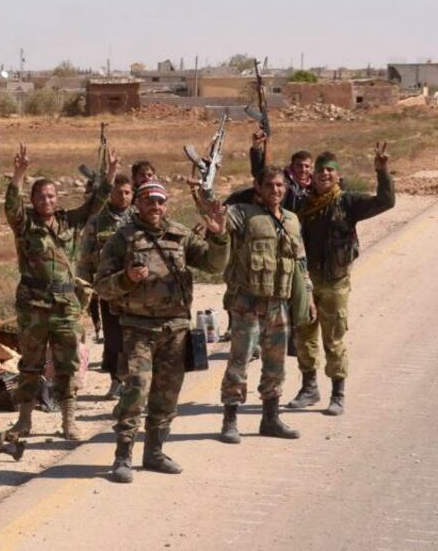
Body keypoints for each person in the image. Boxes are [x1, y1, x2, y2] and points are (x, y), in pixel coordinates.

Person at [95, 181, 228, 483]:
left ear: (166, 204)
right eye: (148, 201)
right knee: (136, 391)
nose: (155, 207)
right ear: (137, 205)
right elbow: (102, 287)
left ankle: (154, 452)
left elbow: (214, 265)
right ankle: (122, 456)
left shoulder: (179, 235)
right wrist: (127, 278)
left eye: (160, 201)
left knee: (167, 395)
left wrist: (219, 236)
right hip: (138, 329)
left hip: (175, 329)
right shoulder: (123, 239)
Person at [5, 143, 116, 440]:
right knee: (30, 364)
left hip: (66, 304)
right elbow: (11, 207)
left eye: (51, 196)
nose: (46, 200)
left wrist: (111, 176)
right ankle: (24, 421)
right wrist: (18, 175)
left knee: (67, 365)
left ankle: (69, 422)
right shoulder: (25, 225)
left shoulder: (69, 221)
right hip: (33, 305)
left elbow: (96, 205)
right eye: (41, 196)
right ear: (33, 199)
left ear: (57, 199)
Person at [286, 143, 395, 415]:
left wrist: (382, 172)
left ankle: (337, 394)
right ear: (312, 176)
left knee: (333, 339)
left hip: (335, 282)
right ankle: (309, 388)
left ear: (337, 176)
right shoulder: (301, 203)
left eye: (329, 170)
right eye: (320, 170)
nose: (324, 174)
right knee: (304, 337)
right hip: (306, 282)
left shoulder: (348, 202)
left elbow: (386, 201)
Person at [219, 165, 315, 444]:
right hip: (247, 303)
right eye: (270, 185)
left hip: (279, 303)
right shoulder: (242, 214)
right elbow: (218, 221)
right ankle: (230, 420)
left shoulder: (292, 220)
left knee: (276, 364)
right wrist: (205, 197)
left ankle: (270, 419)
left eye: (280, 185)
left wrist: (307, 296)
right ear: (257, 188)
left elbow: (300, 263)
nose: (276, 190)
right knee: (240, 362)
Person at [79, 173, 134, 398]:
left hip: (135, 290)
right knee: (113, 338)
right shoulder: (96, 221)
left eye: (127, 192)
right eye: (118, 192)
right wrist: (84, 288)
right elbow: (85, 258)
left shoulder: (138, 219)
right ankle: (116, 379)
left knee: (135, 336)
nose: (123, 196)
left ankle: (135, 380)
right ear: (110, 194)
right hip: (109, 290)